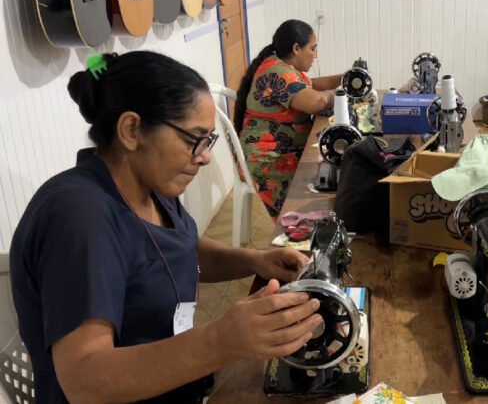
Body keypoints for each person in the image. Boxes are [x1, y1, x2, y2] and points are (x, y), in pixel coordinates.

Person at [10, 51, 322, 403]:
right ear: (131, 130)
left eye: (208, 142)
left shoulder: (152, 186)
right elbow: (85, 381)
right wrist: (220, 340)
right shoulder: (79, 216)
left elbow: (184, 248)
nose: (204, 156)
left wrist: (254, 260)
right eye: (194, 140)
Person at [235, 19, 342, 220]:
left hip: (283, 151)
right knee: (325, 184)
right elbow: (316, 102)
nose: (316, 55)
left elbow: (313, 85)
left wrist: (344, 77)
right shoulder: (276, 72)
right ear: (296, 48)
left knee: (331, 171)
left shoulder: (285, 68)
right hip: (269, 159)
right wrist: (341, 93)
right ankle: (300, 236)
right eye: (313, 49)